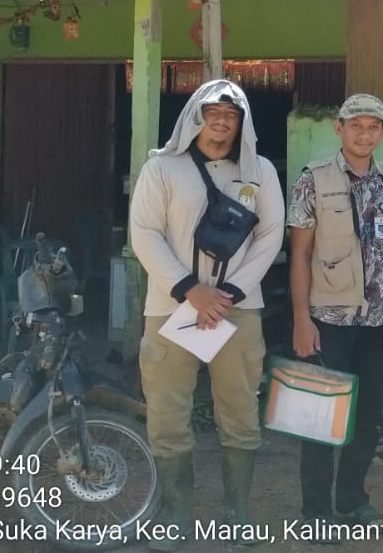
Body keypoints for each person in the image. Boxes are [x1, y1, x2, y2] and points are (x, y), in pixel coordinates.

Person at [129, 79, 285, 551]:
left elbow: (271, 237)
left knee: (239, 411)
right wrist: (189, 289)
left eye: (231, 115)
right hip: (171, 309)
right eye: (212, 111)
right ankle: (178, 514)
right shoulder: (162, 169)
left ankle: (237, 511)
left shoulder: (261, 174)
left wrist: (230, 293)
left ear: (243, 123)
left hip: (238, 312)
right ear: (195, 115)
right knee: (167, 413)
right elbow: (145, 233)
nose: (221, 121)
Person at [288, 94, 383, 532]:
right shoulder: (313, 180)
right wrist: (301, 320)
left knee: (367, 420)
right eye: (355, 125)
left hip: (377, 324)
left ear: (382, 132)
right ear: (338, 128)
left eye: (372, 126)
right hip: (326, 321)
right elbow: (299, 256)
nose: (364, 134)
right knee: (320, 422)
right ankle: (315, 512)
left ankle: (352, 501)